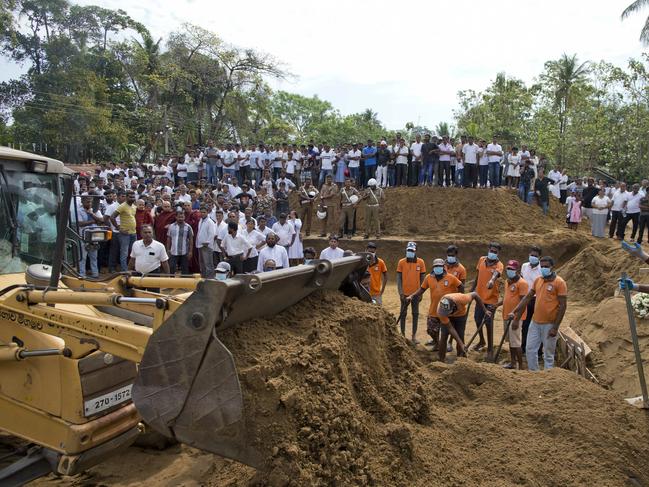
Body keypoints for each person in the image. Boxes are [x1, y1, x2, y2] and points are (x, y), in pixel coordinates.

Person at [509, 256, 567, 371]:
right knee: (530, 349)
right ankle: (533, 374)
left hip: (550, 323)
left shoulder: (559, 283)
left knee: (548, 354)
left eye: (547, 266)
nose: (544, 268)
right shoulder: (538, 280)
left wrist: (555, 327)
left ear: (552, 267)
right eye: (542, 266)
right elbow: (527, 298)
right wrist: (515, 311)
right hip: (535, 322)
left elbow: (563, 306)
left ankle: (548, 376)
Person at [407, 258, 463, 355]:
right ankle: (437, 343)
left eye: (440, 266)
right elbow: (421, 289)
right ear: (433, 267)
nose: (438, 268)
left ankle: (444, 347)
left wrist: (458, 298)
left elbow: (461, 286)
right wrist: (412, 295)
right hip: (434, 309)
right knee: (431, 330)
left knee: (446, 331)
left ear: (443, 267)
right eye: (436, 266)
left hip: (446, 310)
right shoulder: (429, 277)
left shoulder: (451, 278)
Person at [414, 292, 490, 362]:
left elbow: (475, 294)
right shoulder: (441, 312)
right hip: (448, 318)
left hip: (460, 315)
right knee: (444, 336)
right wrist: (461, 344)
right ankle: (441, 360)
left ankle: (461, 359)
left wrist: (485, 310)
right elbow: (450, 328)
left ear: (453, 307)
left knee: (460, 335)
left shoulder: (462, 299)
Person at [470, 242, 504, 360]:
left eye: (495, 252)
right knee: (477, 319)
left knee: (489, 323)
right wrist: (472, 289)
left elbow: (496, 274)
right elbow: (477, 276)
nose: (493, 253)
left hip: (491, 299)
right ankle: (481, 341)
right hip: (479, 296)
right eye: (492, 251)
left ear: (498, 253)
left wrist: (491, 281)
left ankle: (490, 349)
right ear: (488, 249)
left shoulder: (499, 265)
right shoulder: (481, 260)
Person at [494, 260, 529, 370]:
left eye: (512, 269)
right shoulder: (507, 281)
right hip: (506, 316)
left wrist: (516, 319)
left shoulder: (522, 283)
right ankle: (513, 363)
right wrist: (497, 304)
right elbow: (507, 298)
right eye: (508, 269)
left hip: (516, 318)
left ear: (517, 270)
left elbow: (523, 303)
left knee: (516, 343)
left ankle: (521, 366)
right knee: (511, 342)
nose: (509, 271)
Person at [396, 241, 426, 343]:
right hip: (404, 293)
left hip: (416, 294)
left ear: (416, 251)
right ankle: (403, 335)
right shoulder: (401, 262)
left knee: (415, 313)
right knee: (403, 314)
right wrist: (401, 293)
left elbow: (423, 279)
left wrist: (421, 293)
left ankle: (414, 336)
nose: (409, 252)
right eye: (408, 250)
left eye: (412, 250)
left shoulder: (421, 262)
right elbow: (399, 279)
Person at [520, 245, 543, 354]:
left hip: (538, 299)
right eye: (532, 255)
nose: (533, 257)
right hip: (526, 299)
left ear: (539, 257)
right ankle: (524, 348)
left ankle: (539, 351)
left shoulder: (542, 269)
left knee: (539, 324)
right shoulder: (524, 266)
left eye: (535, 256)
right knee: (525, 324)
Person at [110, 190, 137, 272]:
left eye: (133, 196)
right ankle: (124, 271)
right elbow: (112, 217)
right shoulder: (122, 206)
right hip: (125, 234)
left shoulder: (134, 206)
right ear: (126, 197)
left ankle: (132, 268)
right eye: (130, 196)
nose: (132, 198)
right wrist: (119, 228)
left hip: (133, 233)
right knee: (124, 254)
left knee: (134, 252)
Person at [77, 196, 104, 278]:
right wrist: (93, 221)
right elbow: (80, 223)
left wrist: (91, 214)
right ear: (82, 202)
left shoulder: (94, 210)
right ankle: (82, 274)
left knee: (94, 256)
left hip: (95, 236)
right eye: (87, 202)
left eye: (90, 202)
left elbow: (101, 221)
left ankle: (95, 274)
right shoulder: (79, 210)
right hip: (84, 236)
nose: (89, 204)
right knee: (83, 257)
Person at [166, 210, 194, 275]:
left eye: (182, 217)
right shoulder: (171, 226)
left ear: (184, 217)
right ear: (176, 217)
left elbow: (191, 239)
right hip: (173, 251)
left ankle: (185, 283)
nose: (181, 218)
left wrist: (190, 251)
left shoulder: (188, 227)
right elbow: (169, 238)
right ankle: (171, 282)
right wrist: (168, 249)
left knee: (185, 269)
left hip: (184, 252)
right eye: (179, 217)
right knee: (172, 267)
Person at [196, 205, 217, 278]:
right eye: (201, 212)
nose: (202, 214)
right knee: (202, 264)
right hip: (200, 245)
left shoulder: (210, 221)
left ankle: (210, 279)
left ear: (207, 212)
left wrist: (207, 242)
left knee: (208, 264)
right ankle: (203, 279)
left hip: (207, 246)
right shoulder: (201, 220)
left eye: (204, 212)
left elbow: (212, 234)